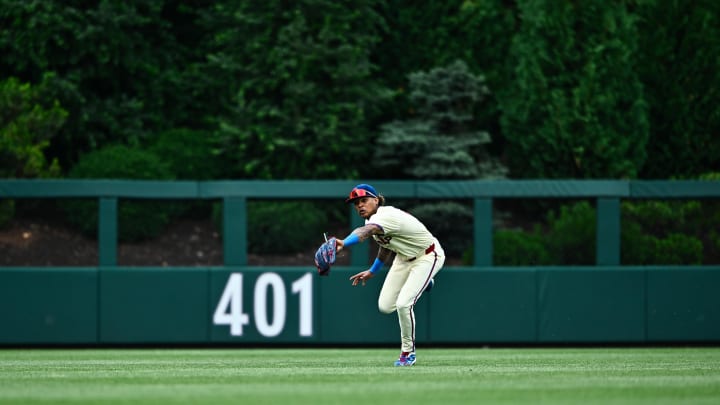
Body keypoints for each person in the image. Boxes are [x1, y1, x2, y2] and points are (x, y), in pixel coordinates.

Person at [336, 183, 445, 367]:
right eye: (356, 203)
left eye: (364, 200)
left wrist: (344, 243)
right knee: (385, 306)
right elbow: (385, 245)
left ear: (376, 200)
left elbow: (365, 233)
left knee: (404, 304)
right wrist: (373, 271)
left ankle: (408, 353)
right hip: (403, 258)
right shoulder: (372, 220)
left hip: (427, 256)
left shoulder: (385, 216)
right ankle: (424, 283)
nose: (360, 205)